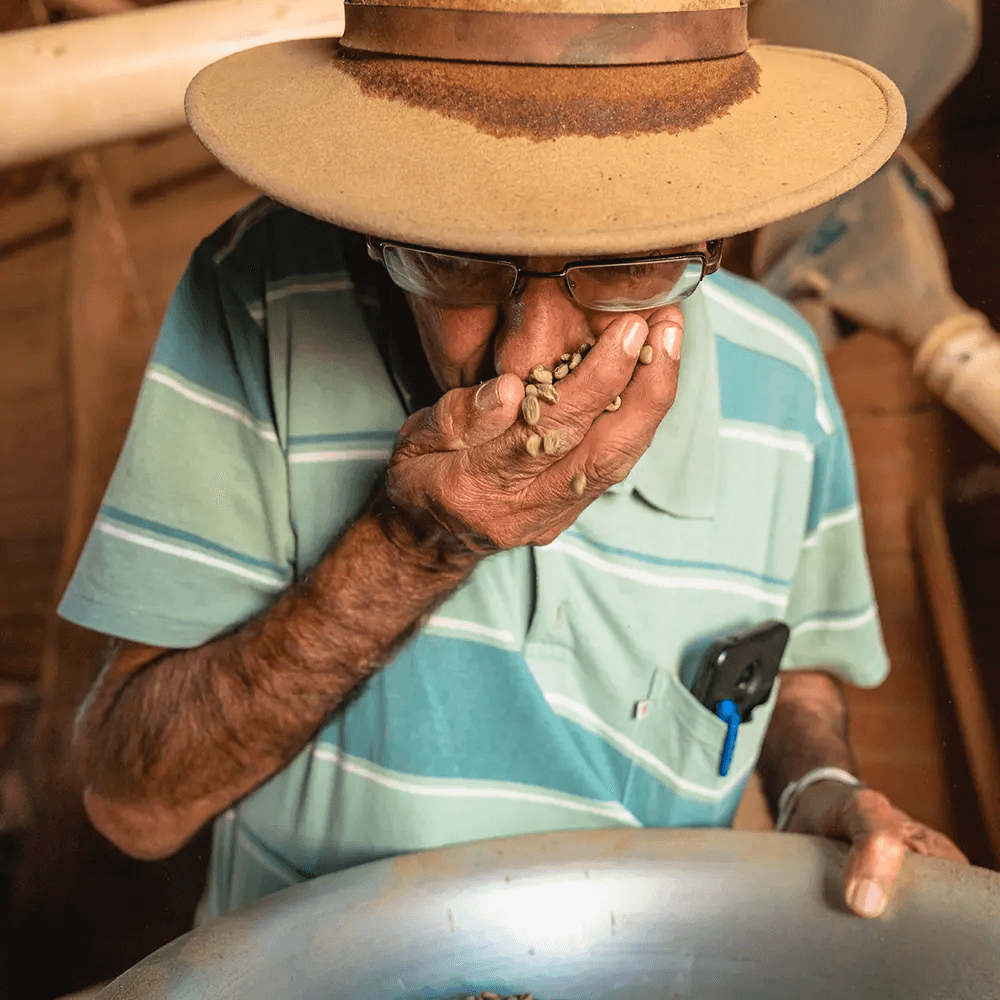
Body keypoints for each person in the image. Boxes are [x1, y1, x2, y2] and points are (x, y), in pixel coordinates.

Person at [61, 0, 966, 924]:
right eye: (457, 261)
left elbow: (790, 669)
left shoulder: (784, 379)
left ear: (706, 238)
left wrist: (816, 787)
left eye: (618, 263)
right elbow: (134, 804)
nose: (523, 357)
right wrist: (413, 547)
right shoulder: (261, 295)